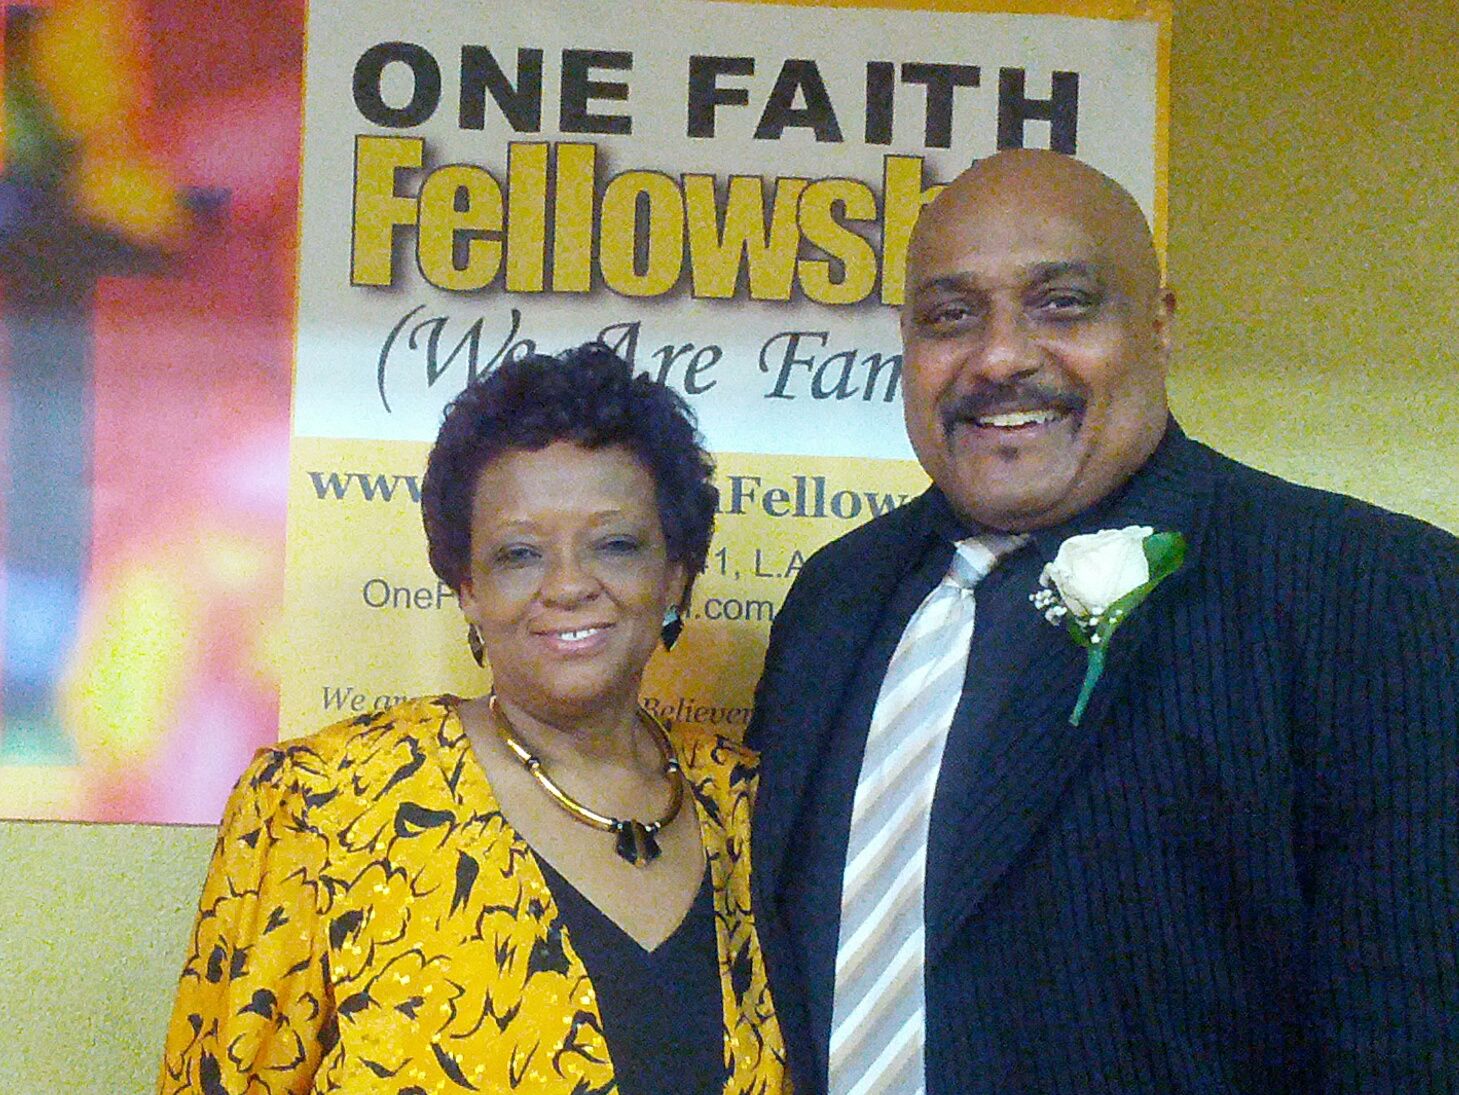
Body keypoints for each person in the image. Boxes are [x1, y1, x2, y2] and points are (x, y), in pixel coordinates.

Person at [746, 148, 1459, 1094]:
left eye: (1062, 304)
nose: (999, 356)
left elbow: (1411, 1044)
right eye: (950, 316)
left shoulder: (1375, 595)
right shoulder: (835, 597)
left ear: (1158, 325)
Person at [159, 344, 789, 1094]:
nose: (568, 586)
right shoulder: (323, 806)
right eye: (520, 554)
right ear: (467, 587)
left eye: (615, 545)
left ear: (675, 574)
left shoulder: (754, 810)